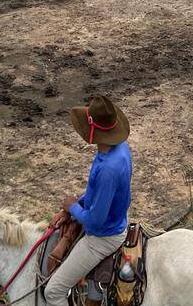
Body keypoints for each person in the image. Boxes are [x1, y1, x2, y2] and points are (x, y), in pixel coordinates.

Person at [44, 95, 132, 306]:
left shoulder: (108, 169)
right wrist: (75, 208)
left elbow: (95, 221)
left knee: (53, 292)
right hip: (117, 219)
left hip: (104, 236)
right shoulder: (118, 149)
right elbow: (99, 195)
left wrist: (72, 206)